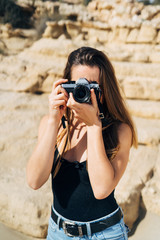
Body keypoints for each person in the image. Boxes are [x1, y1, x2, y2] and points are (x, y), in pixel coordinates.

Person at [26, 46, 137, 240]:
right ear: (65, 86)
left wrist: (94, 126)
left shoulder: (119, 130)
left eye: (91, 87)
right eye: (78, 85)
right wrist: (53, 119)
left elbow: (102, 189)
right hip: (58, 232)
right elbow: (34, 181)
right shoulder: (53, 125)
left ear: (105, 90)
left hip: (105, 234)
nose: (82, 92)